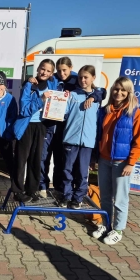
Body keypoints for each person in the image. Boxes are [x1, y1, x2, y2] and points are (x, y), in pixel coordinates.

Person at [93, 77, 140, 245]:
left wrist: (131, 163)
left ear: (129, 92)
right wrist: (96, 157)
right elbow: (98, 135)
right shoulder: (105, 110)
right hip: (104, 159)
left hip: (121, 162)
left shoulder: (135, 113)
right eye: (116, 89)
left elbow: (139, 141)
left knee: (120, 198)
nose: (119, 93)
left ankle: (118, 229)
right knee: (106, 196)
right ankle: (106, 224)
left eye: (123, 90)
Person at [10, 59, 58, 203]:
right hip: (27, 125)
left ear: (51, 74)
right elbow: (24, 109)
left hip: (41, 126)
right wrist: (41, 99)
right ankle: (17, 191)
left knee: (36, 160)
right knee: (21, 160)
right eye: (42, 69)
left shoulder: (52, 84)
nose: (44, 72)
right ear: (38, 69)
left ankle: (31, 190)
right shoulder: (28, 85)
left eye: (48, 71)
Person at [58, 65, 100, 209]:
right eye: (81, 77)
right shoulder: (72, 95)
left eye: (86, 77)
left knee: (83, 172)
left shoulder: (97, 98)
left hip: (87, 141)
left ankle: (78, 198)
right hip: (71, 139)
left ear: (93, 78)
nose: (83, 80)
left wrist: (94, 97)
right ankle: (66, 196)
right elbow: (63, 114)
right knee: (67, 169)